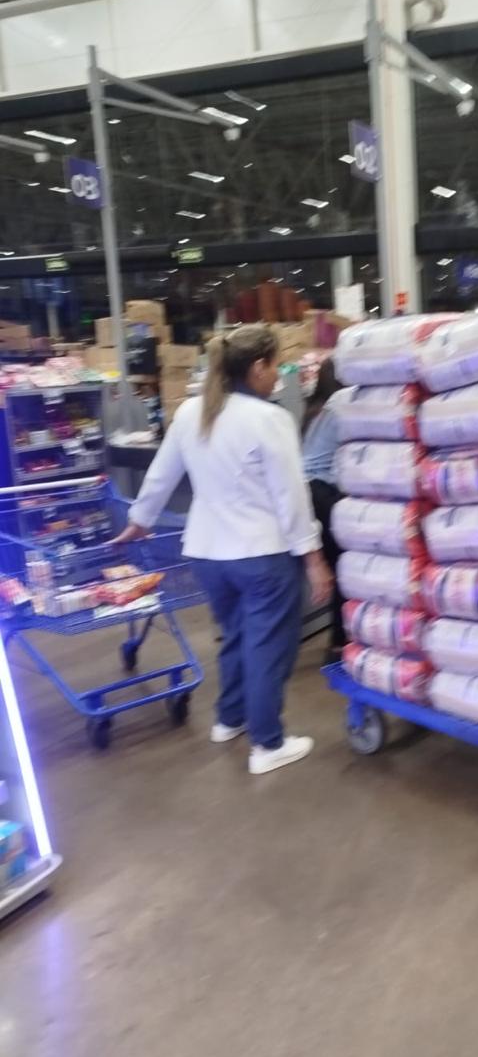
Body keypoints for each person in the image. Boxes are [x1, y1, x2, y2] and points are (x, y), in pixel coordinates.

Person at [116, 323, 332, 776]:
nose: (278, 376)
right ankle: (268, 743)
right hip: (262, 554)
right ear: (258, 367)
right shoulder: (269, 419)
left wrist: (139, 520)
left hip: (207, 552)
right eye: (276, 366)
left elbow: (161, 474)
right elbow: (291, 497)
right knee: (267, 647)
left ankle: (229, 719)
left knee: (235, 636)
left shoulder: (191, 412)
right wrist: (314, 558)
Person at [301, 358, 346, 661]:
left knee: (333, 567)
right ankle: (339, 644)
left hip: (307, 493)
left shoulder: (314, 411)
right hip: (324, 495)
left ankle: (338, 640)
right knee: (343, 568)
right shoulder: (341, 406)